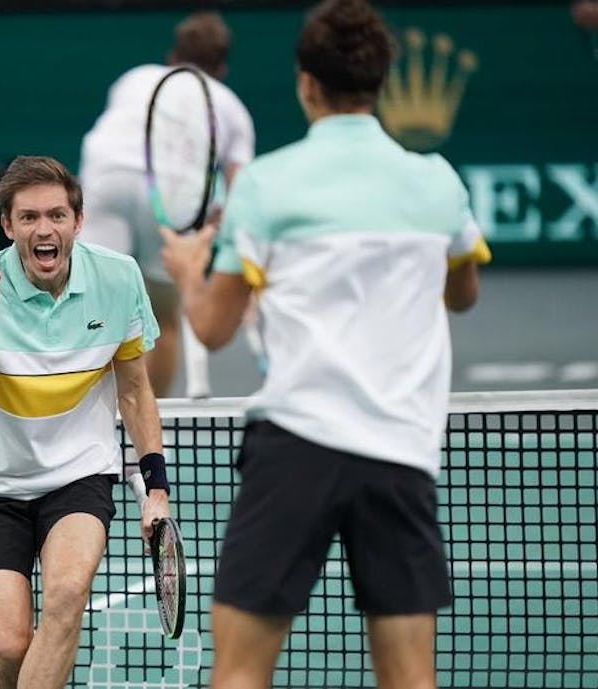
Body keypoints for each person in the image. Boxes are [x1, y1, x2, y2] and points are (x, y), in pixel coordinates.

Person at [158, 1, 491, 688]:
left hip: (296, 450)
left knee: (240, 673)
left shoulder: (270, 186)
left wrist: (191, 271)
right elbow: (463, 293)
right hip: (401, 453)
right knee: (409, 678)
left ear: (306, 83)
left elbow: (213, 327)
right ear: (381, 83)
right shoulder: (438, 184)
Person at [0, 155, 172, 689]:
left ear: (78, 221)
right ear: (8, 226)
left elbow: (135, 392)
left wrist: (156, 487)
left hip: (78, 474)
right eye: (28, 218)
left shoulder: (118, 278)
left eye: (57, 215)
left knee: (67, 597)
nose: (44, 229)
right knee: (11, 645)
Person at [78, 11, 255, 398]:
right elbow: (242, 196)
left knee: (94, 314)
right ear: (222, 68)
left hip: (107, 180)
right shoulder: (233, 108)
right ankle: (149, 431)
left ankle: (86, 427)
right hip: (170, 199)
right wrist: (217, 227)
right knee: (162, 319)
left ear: (172, 56)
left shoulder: (134, 77)